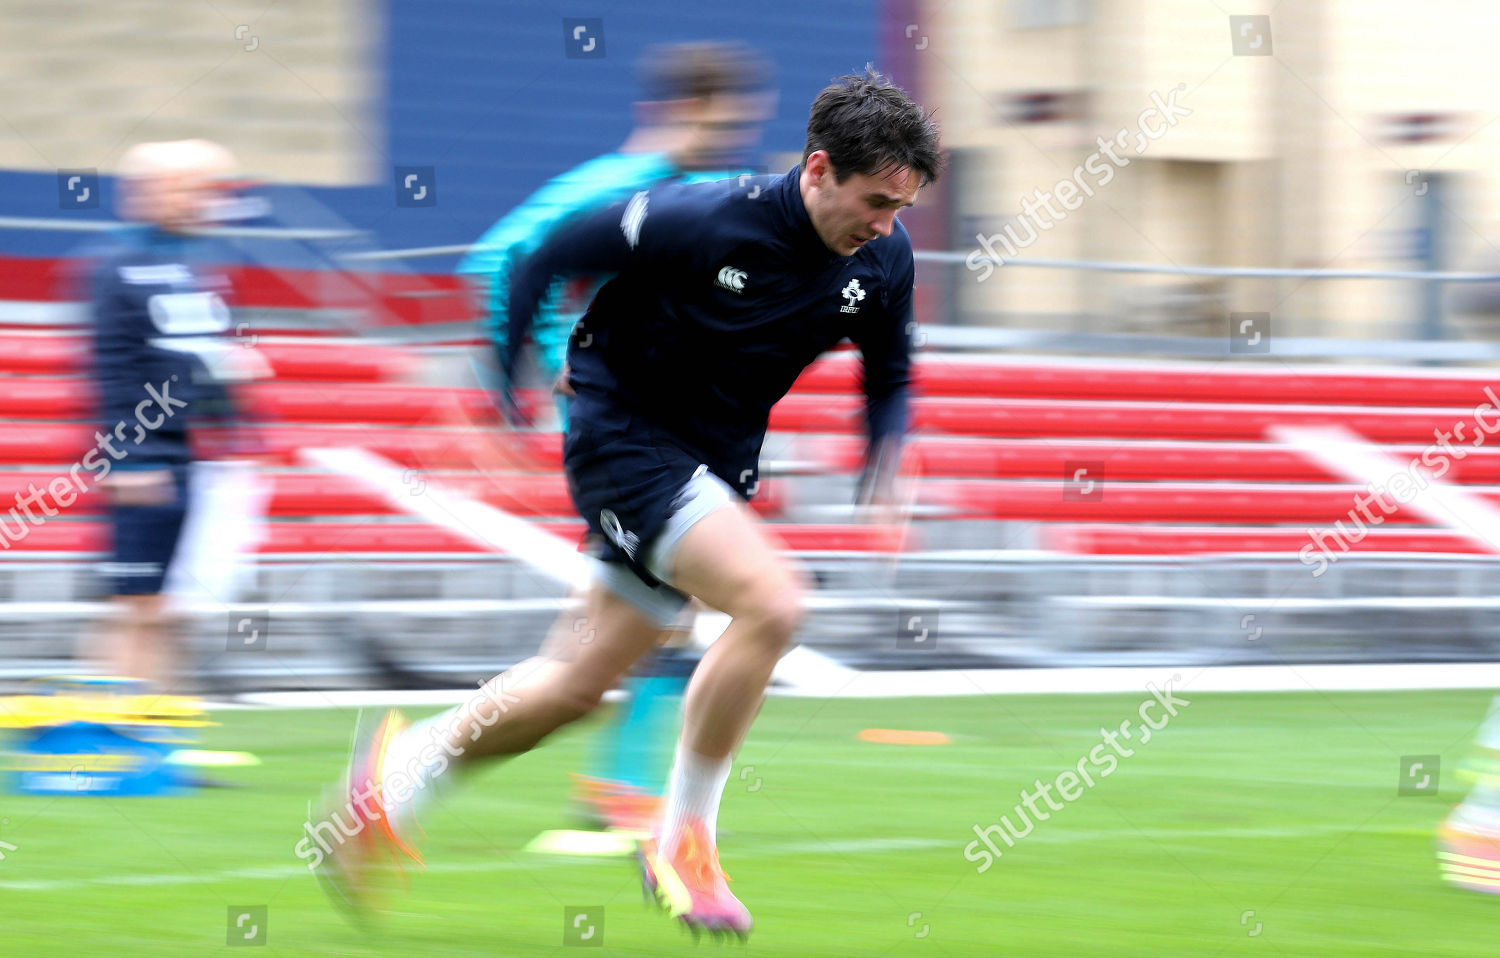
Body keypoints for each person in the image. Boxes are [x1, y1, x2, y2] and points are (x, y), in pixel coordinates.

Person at [315, 69, 941, 939]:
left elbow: (891, 368)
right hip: (624, 444)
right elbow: (539, 256)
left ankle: (394, 778)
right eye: (875, 200)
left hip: (709, 464)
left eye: (901, 207)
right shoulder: (697, 215)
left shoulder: (882, 257)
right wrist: (506, 391)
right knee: (774, 601)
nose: (886, 224)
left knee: (576, 685)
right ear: (818, 169)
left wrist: (885, 458)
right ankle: (684, 838)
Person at [454, 41, 772, 833]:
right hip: (619, 438)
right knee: (624, 637)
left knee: (651, 624)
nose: (736, 134)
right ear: (687, 109)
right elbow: (502, 259)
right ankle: (612, 788)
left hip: (673, 434)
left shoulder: (695, 192)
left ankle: (611, 786)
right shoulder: (612, 186)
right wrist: (518, 380)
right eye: (729, 119)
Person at [87, 139, 259, 691]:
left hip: (194, 459)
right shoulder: (115, 269)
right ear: (155, 192)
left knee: (170, 608)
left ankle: (155, 736)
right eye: (196, 190)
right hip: (148, 460)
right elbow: (110, 370)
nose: (209, 202)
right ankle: (109, 737)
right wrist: (128, 457)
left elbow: (202, 362)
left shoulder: (191, 269)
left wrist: (235, 404)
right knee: (136, 605)